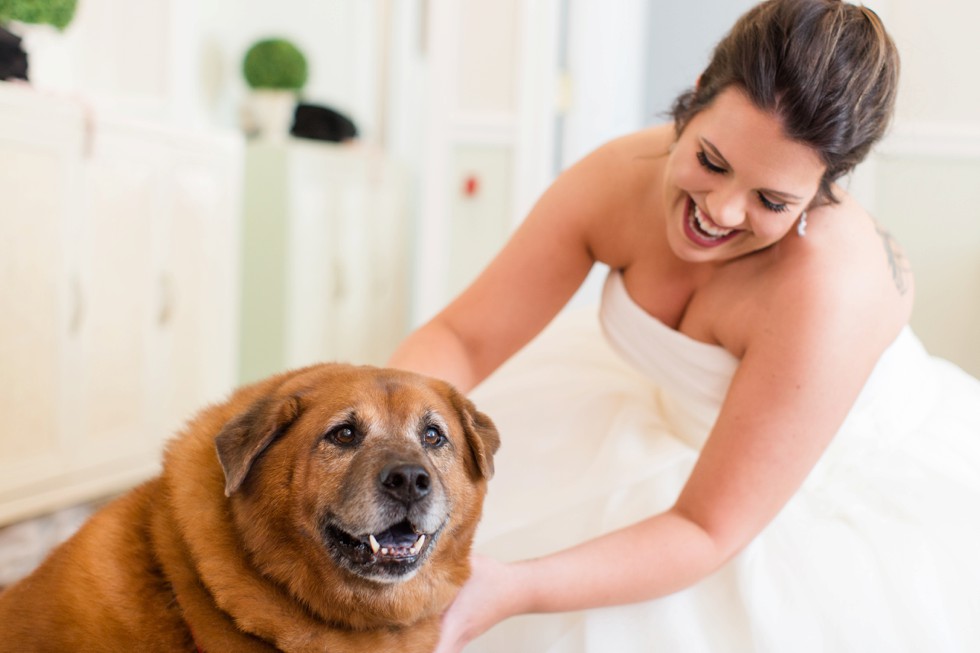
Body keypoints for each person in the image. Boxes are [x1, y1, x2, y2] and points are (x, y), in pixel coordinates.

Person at [388, 1, 980, 651]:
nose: (720, 210)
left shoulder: (825, 291)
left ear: (825, 190)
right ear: (697, 94)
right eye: (712, 159)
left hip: (821, 488)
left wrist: (513, 586)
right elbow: (463, 339)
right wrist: (386, 441)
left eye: (772, 200)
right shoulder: (618, 179)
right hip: (665, 424)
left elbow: (706, 527)